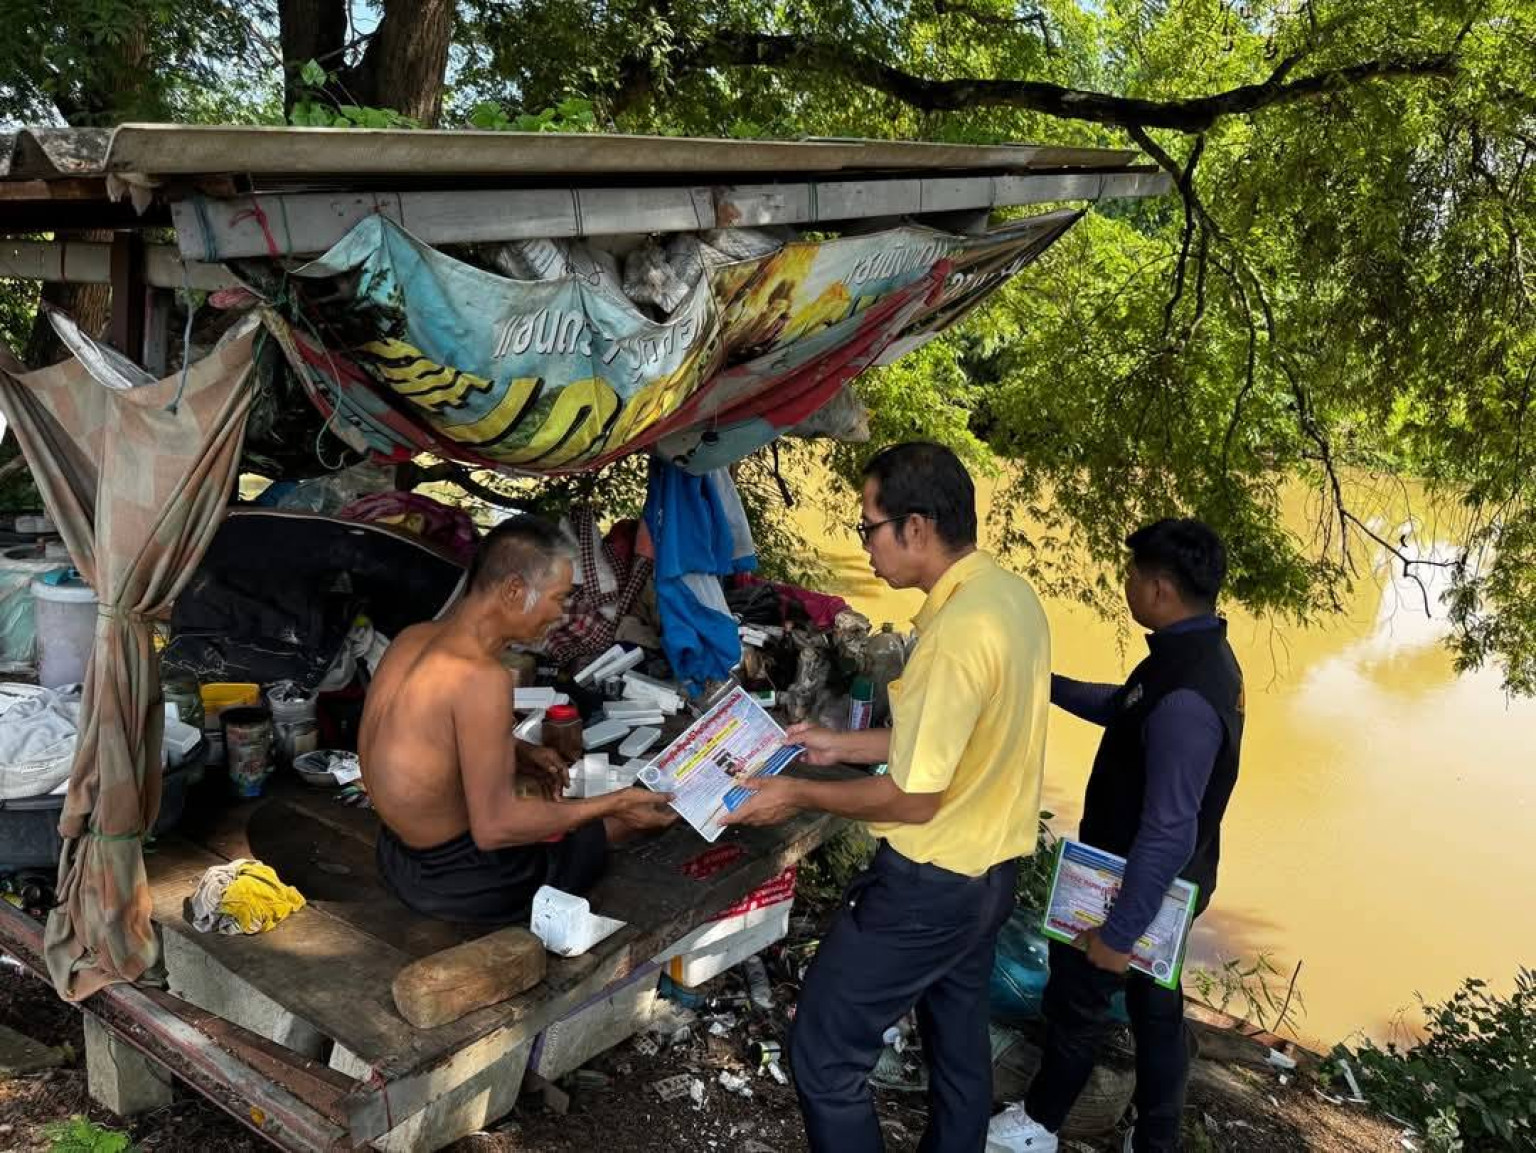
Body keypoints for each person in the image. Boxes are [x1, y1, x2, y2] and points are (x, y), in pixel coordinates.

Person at [723, 442, 1051, 1153]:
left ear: (917, 527)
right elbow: (952, 741)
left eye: (868, 527)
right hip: (989, 877)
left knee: (824, 1055)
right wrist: (838, 746)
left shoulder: (956, 635)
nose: (864, 545)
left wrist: (794, 792)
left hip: (928, 889)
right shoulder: (1008, 598)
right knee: (959, 1054)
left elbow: (913, 798)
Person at [987, 519, 1245, 1153]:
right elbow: (1125, 705)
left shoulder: (1187, 698)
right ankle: (1156, 1138)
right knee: (1156, 1008)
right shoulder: (1197, 653)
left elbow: (1168, 830)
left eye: (1132, 574)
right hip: (1174, 881)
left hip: (1133, 884)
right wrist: (1043, 687)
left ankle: (1038, 1125)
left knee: (1078, 999)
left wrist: (1118, 934)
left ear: (1160, 588)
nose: (1125, 584)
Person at [360, 514, 677, 926]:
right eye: (558, 598)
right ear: (514, 590)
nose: (561, 613)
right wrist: (611, 804)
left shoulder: (413, 638)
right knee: (604, 829)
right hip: (458, 883)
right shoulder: (480, 677)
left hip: (396, 855)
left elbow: (423, 739)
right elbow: (495, 828)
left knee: (548, 804)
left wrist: (520, 749)